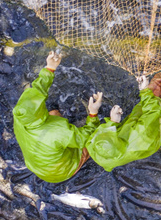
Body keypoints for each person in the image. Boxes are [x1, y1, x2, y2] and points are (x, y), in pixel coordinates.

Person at [12, 51, 103, 183]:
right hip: (59, 172)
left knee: (54, 114)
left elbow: (37, 92)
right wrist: (93, 113)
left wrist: (50, 68)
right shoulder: (57, 131)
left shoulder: (19, 115)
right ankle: (74, 164)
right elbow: (86, 137)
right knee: (95, 140)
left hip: (37, 166)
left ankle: (62, 148)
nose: (40, 101)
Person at [85, 68, 161, 171]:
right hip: (154, 123)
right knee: (160, 83)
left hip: (140, 142)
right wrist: (145, 91)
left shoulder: (98, 152)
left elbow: (94, 135)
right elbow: (153, 111)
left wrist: (111, 121)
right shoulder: (140, 134)